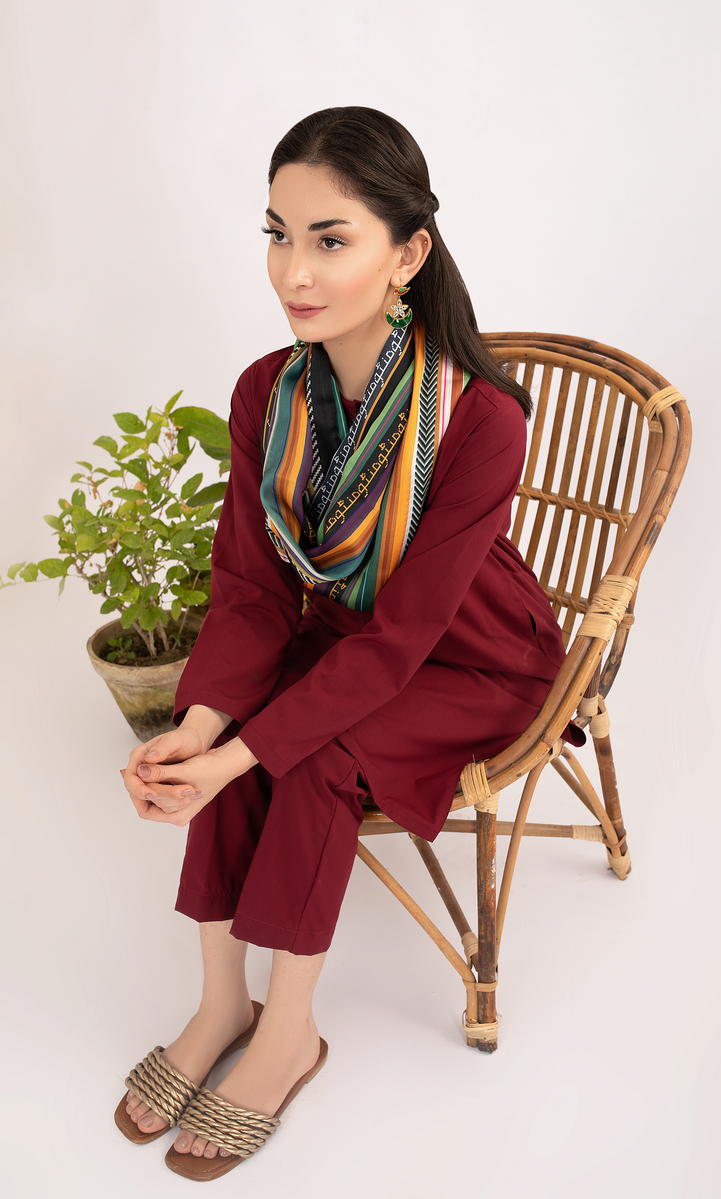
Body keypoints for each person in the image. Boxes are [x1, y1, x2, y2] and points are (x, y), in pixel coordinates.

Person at [118, 106, 580, 1182]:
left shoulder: (479, 418)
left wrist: (242, 749)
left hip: (470, 660)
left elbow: (410, 633)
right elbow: (246, 585)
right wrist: (197, 729)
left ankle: (289, 1031)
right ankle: (220, 998)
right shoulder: (266, 393)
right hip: (346, 632)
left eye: (331, 238)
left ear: (406, 252)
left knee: (305, 744)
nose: (294, 270)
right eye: (277, 233)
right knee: (240, 716)